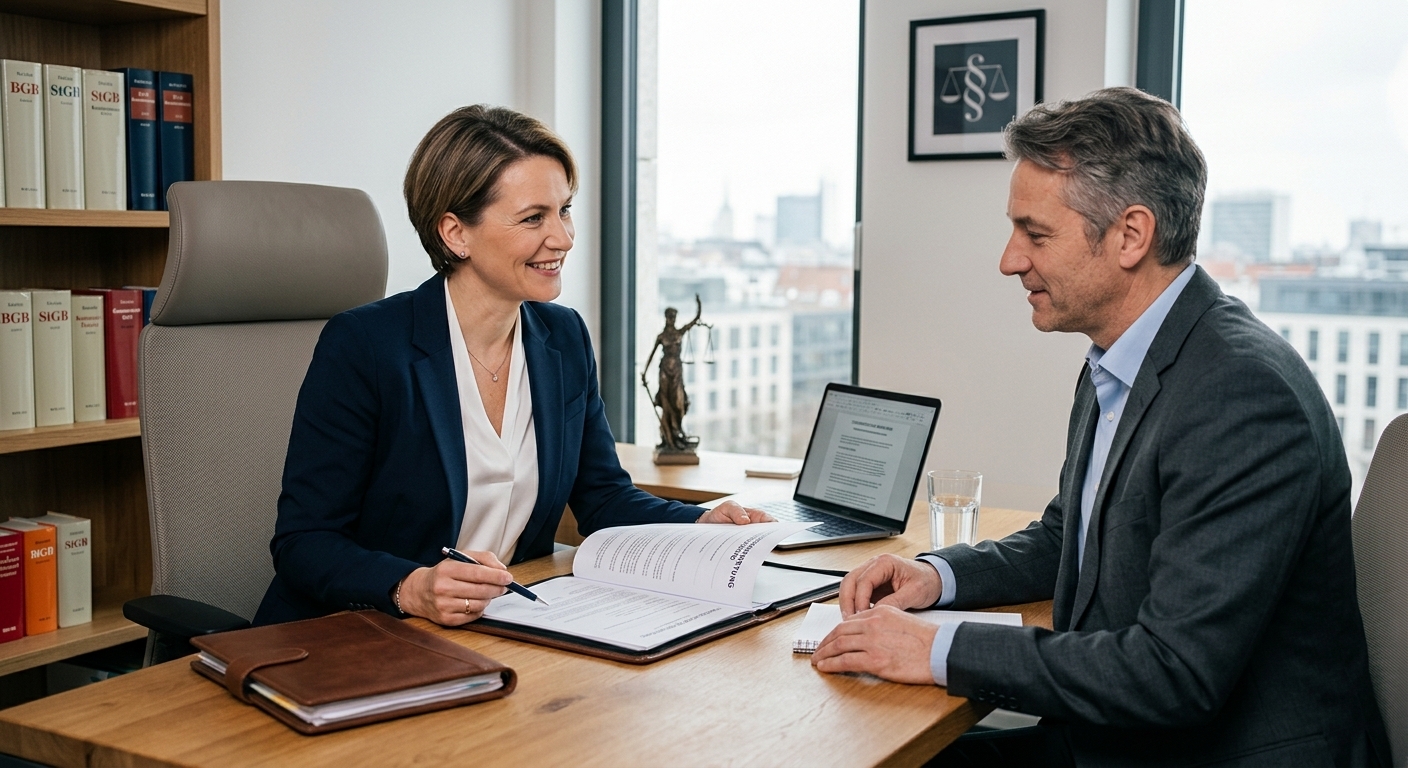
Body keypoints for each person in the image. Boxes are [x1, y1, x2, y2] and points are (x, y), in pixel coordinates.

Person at [811, 87, 1389, 766]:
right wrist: (937, 577)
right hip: (1115, 738)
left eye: (1036, 233)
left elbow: (1175, 671)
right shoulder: (1121, 356)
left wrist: (935, 648)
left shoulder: (1241, 393)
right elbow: (1070, 535)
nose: (1009, 259)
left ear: (1131, 235)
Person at [254, 105, 772, 628]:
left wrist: (702, 522)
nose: (564, 238)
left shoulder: (562, 337)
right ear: (456, 234)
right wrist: (412, 588)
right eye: (533, 218)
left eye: (564, 210)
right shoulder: (365, 345)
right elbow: (305, 543)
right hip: (361, 635)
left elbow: (603, 498)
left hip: (496, 629)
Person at [641, 297, 703, 451]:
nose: (672, 319)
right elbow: (651, 355)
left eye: (674, 317)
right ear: (666, 318)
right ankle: (668, 438)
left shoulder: (680, 332)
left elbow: (695, 320)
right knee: (666, 403)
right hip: (664, 372)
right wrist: (645, 372)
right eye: (670, 317)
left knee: (679, 403)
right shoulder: (661, 337)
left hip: (677, 371)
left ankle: (677, 432)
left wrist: (699, 306)